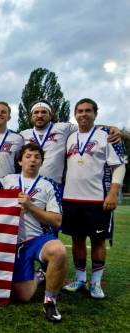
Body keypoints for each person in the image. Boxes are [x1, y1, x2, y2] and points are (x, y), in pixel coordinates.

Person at [61, 98, 125, 299]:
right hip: (71, 199)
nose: (84, 114)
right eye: (80, 111)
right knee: (77, 241)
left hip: (97, 200)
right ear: (75, 114)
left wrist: (113, 192)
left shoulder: (106, 135)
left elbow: (119, 165)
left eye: (88, 110)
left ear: (96, 113)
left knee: (98, 242)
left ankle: (96, 283)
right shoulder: (70, 137)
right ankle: (80, 279)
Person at [2, 143, 66, 322]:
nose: (32, 160)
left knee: (58, 250)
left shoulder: (48, 185)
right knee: (23, 295)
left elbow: (56, 220)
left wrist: (30, 206)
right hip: (13, 241)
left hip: (38, 238)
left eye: (37, 157)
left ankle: (50, 301)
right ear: (20, 161)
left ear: (41, 162)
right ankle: (41, 275)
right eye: (28, 156)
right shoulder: (6, 180)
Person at [20, 99, 121, 184]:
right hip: (29, 184)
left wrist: (114, 129)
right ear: (31, 116)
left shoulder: (63, 128)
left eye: (43, 112)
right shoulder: (23, 134)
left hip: (54, 185)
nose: (39, 115)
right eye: (36, 112)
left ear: (50, 115)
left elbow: (88, 127)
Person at [0, 101, 24, 178]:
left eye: (3, 112)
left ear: (9, 117)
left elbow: (21, 163)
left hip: (9, 182)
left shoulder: (17, 138)